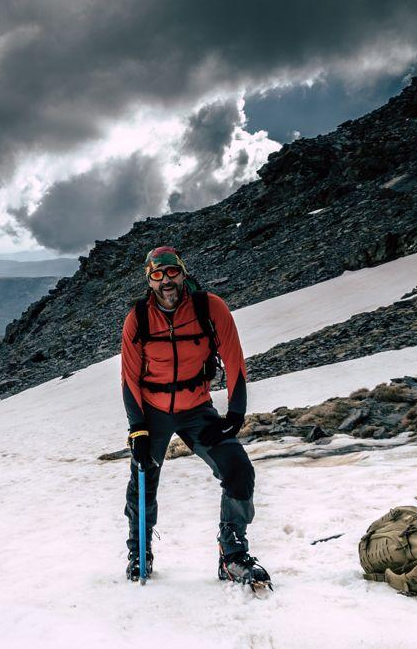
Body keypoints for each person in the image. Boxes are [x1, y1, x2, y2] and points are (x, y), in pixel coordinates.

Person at [121, 246, 268, 586]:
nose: (166, 281)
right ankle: (139, 553)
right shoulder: (138, 318)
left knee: (238, 469)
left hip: (196, 409)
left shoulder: (210, 308)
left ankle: (232, 553)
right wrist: (138, 430)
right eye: (157, 275)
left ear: (183, 273)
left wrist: (236, 412)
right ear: (149, 281)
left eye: (172, 272)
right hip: (153, 412)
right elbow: (129, 378)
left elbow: (234, 359)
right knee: (142, 481)